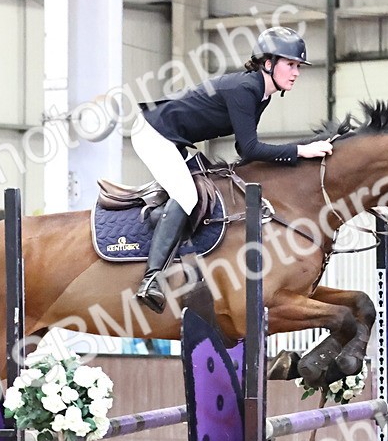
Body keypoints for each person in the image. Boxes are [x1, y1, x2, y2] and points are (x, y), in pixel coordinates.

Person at [131, 26, 334, 313]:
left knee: (204, 192)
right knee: (187, 196)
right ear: (268, 63)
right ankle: (151, 279)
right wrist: (301, 151)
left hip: (174, 137)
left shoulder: (263, 93)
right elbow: (250, 149)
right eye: (290, 64)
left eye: (298, 66)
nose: (296, 72)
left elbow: (243, 150)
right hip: (154, 133)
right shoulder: (246, 89)